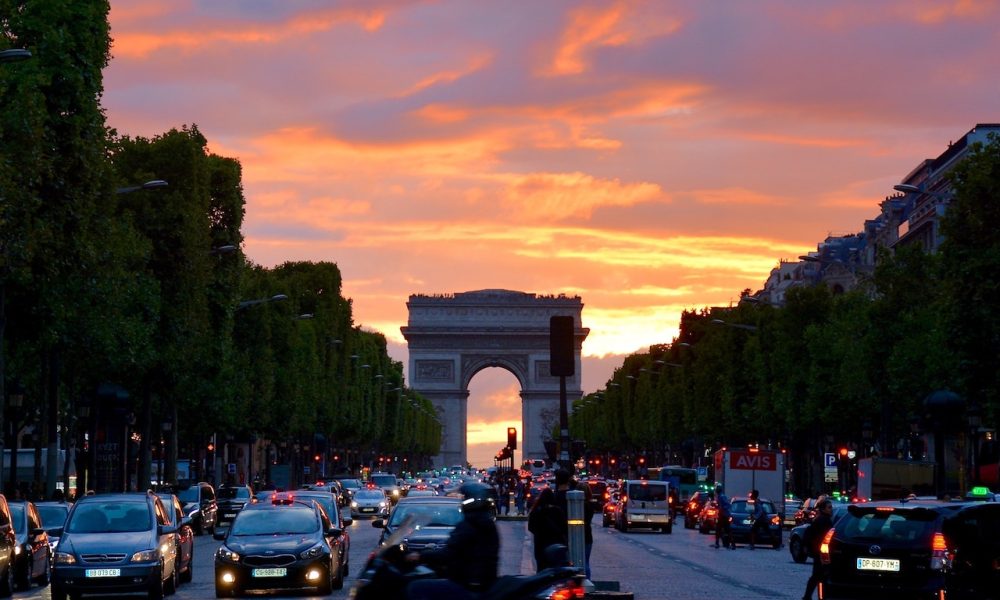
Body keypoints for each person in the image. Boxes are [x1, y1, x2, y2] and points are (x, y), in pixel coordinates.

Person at [406, 482, 500, 600]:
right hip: (478, 582)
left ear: (472, 500)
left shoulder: (471, 525)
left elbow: (447, 554)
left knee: (415, 587)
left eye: (465, 498)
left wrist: (419, 556)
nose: (463, 501)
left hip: (468, 585)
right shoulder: (485, 522)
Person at [553, 469, 594, 579]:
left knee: (572, 562)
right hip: (586, 536)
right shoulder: (589, 505)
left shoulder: (560, 498)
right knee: (585, 562)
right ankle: (585, 581)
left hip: (570, 535)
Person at [801, 498, 834, 600]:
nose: (831, 509)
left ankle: (809, 596)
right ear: (823, 509)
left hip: (819, 552)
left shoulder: (821, 519)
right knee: (819, 576)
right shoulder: (824, 520)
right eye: (829, 507)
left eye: (831, 507)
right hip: (821, 553)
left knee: (817, 576)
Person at [527, 488, 566, 572]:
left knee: (541, 569)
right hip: (556, 543)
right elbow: (564, 527)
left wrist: (539, 533)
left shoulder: (536, 511)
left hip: (540, 544)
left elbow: (531, 527)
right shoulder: (558, 511)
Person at [715, 484, 734, 549]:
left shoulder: (722, 497)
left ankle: (731, 544)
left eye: (717, 489)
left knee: (721, 529)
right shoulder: (719, 496)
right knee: (722, 529)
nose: (716, 490)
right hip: (722, 515)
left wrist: (722, 509)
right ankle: (719, 543)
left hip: (724, 516)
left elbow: (727, 505)